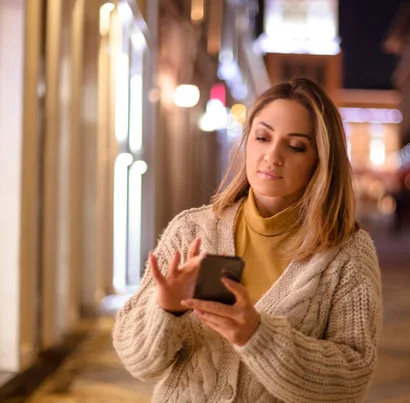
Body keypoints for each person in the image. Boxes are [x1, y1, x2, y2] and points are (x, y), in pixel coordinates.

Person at [113, 78, 382, 403]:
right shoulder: (193, 231)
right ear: (247, 142)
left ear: (321, 159)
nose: (273, 156)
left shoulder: (346, 253)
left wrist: (258, 336)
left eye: (295, 146)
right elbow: (137, 362)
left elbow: (353, 377)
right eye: (262, 137)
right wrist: (167, 308)